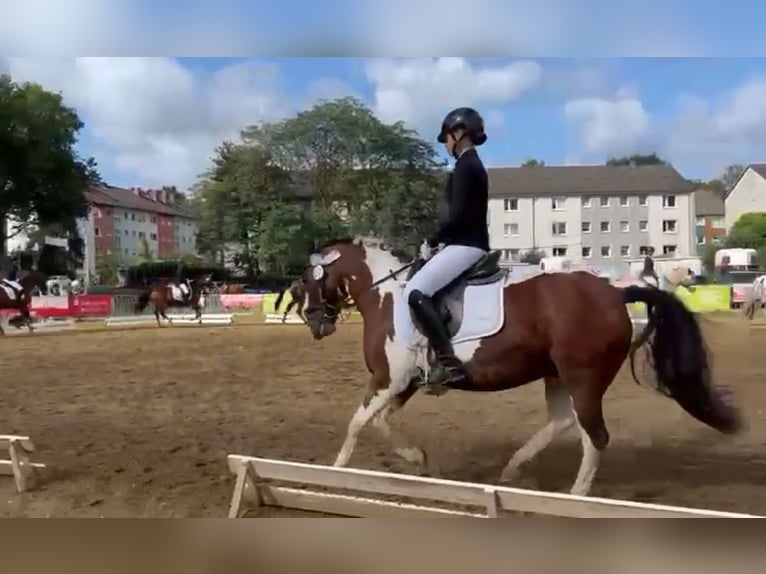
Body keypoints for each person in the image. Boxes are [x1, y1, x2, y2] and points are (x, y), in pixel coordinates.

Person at [404, 107, 490, 389]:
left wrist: (433, 239)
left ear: (459, 133)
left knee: (417, 293)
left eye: (446, 138)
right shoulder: (469, 165)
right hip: (463, 241)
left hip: (466, 244)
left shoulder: (467, 167)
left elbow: (460, 216)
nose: (445, 144)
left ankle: (447, 362)